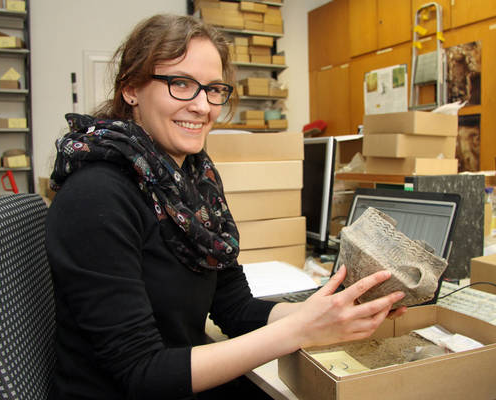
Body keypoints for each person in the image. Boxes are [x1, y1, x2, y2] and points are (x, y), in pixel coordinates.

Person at [45, 14, 406, 400]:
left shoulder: (194, 182)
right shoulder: (96, 196)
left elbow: (234, 308)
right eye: (181, 84)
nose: (203, 106)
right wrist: (300, 330)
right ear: (131, 88)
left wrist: (328, 312)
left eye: (213, 89)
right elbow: (142, 373)